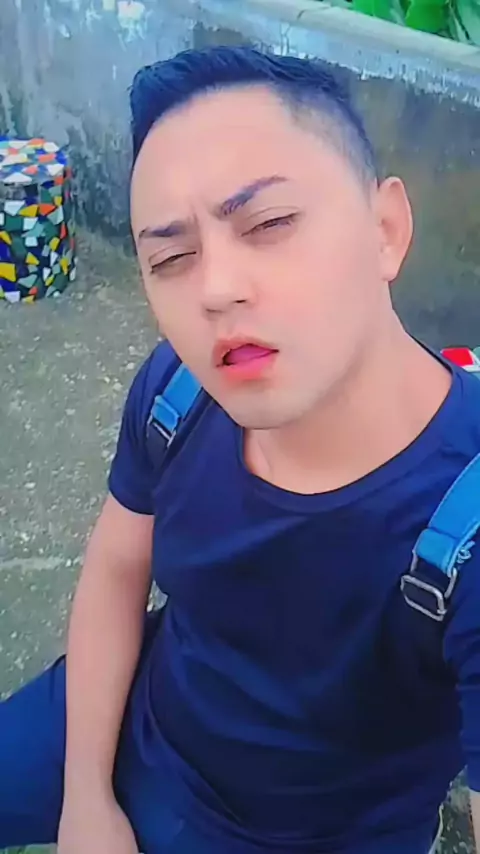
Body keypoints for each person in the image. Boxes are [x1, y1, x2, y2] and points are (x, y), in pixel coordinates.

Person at [0, 45, 479, 854]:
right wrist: (85, 796)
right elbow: (117, 567)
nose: (216, 289)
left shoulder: (465, 525)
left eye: (269, 224)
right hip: (130, 719)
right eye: (172, 258)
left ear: (386, 230)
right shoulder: (178, 394)